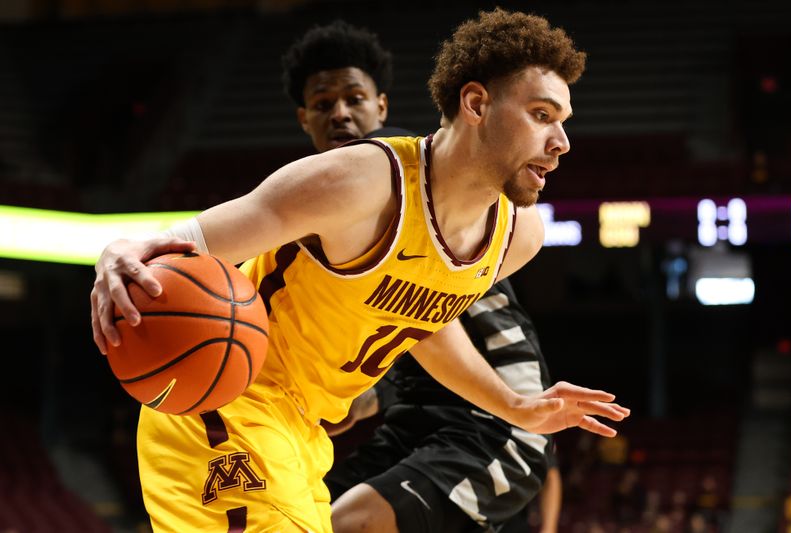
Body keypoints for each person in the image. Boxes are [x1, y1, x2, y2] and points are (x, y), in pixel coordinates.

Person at [90, 8, 630, 533]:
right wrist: (118, 250)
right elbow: (180, 244)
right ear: (476, 103)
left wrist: (515, 406)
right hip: (228, 403)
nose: (560, 144)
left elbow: (426, 325)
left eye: (562, 123)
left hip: (304, 432)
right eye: (541, 115)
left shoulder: (518, 236)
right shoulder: (360, 182)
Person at [281, 20, 563, 532]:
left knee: (346, 526)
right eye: (324, 106)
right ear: (304, 119)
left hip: (493, 419)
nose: (341, 114)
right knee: (296, 520)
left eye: (355, 99)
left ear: (381, 108)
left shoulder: (396, 166)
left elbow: (422, 315)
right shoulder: (337, 205)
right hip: (417, 417)